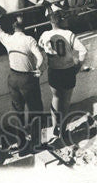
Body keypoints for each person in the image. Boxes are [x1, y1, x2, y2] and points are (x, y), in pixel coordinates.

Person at [0, 9, 45, 154]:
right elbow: (40, 57)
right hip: (27, 80)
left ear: (13, 27)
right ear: (25, 27)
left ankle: (21, 143)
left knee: (18, 112)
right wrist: (39, 68)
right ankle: (35, 143)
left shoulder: (8, 39)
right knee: (35, 111)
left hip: (13, 78)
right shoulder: (29, 40)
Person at [38, 10, 88, 141]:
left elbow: (40, 48)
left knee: (55, 98)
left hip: (53, 71)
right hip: (67, 70)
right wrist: (78, 65)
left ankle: (55, 126)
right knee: (65, 102)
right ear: (62, 20)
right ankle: (63, 129)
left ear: (51, 22)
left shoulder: (45, 34)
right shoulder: (68, 34)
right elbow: (83, 50)